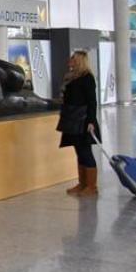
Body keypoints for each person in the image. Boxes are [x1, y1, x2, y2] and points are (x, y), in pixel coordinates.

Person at [57, 50, 100, 197]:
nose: (70, 60)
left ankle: (92, 186)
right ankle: (82, 183)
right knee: (79, 151)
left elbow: (92, 101)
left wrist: (91, 121)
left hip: (83, 119)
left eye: (73, 59)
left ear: (79, 61)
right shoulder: (70, 77)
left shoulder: (87, 78)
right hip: (71, 118)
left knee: (85, 151)